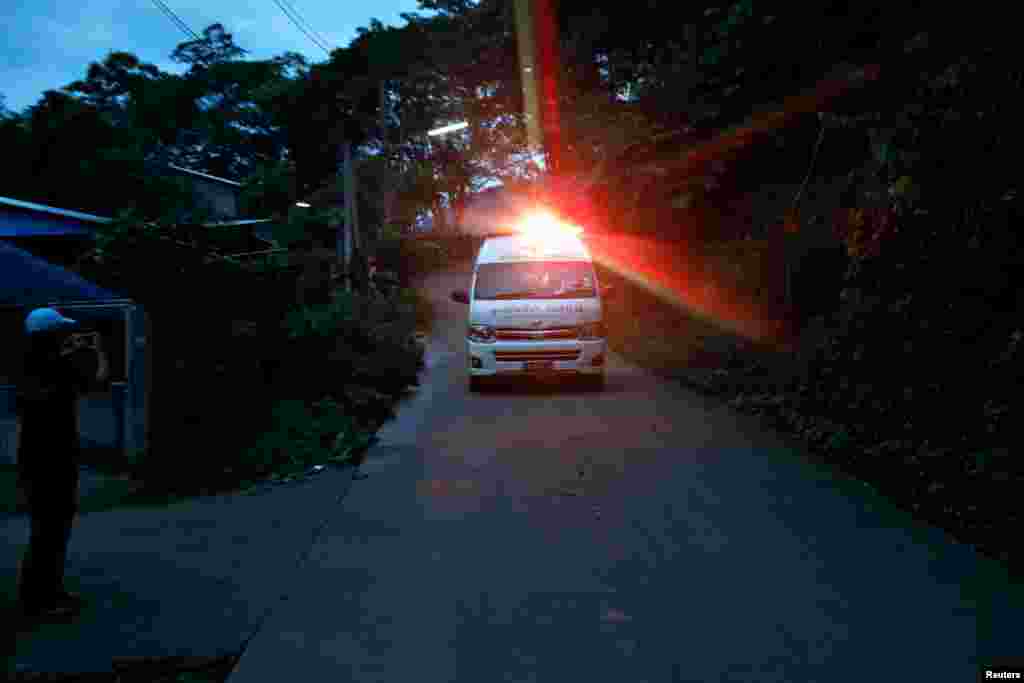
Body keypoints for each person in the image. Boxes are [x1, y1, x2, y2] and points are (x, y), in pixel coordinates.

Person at [15, 307, 108, 619]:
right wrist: (96, 350)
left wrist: (70, 353)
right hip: (55, 456)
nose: (66, 336)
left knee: (46, 528)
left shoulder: (30, 364)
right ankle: (40, 599)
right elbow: (97, 380)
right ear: (50, 335)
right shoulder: (57, 365)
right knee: (52, 528)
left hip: (34, 455)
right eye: (61, 332)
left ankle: (47, 591)